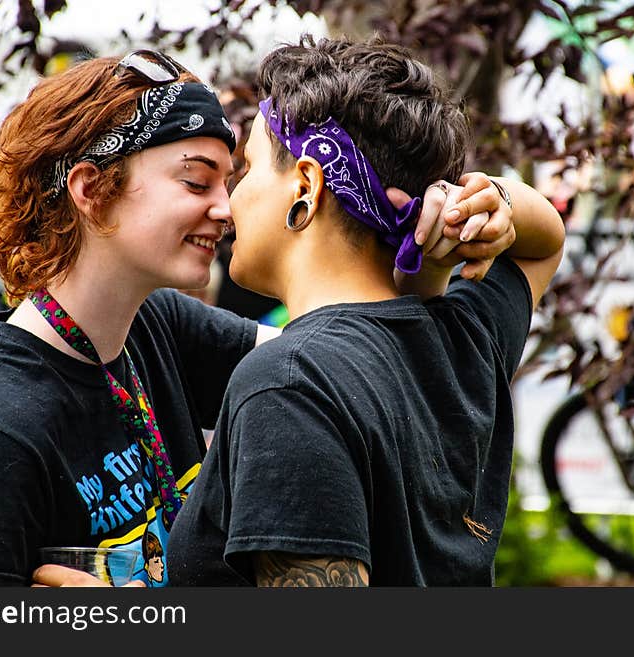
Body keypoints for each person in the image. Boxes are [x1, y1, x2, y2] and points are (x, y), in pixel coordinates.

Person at [0, 49, 505, 587]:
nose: (225, 207)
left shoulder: (158, 325)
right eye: (196, 181)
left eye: (233, 176)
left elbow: (354, 362)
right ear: (91, 189)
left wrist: (467, 221)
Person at [165, 35, 565, 587]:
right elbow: (545, 243)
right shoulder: (462, 337)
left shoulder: (289, 385)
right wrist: (491, 198)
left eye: (248, 167)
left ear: (305, 186)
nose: (228, 199)